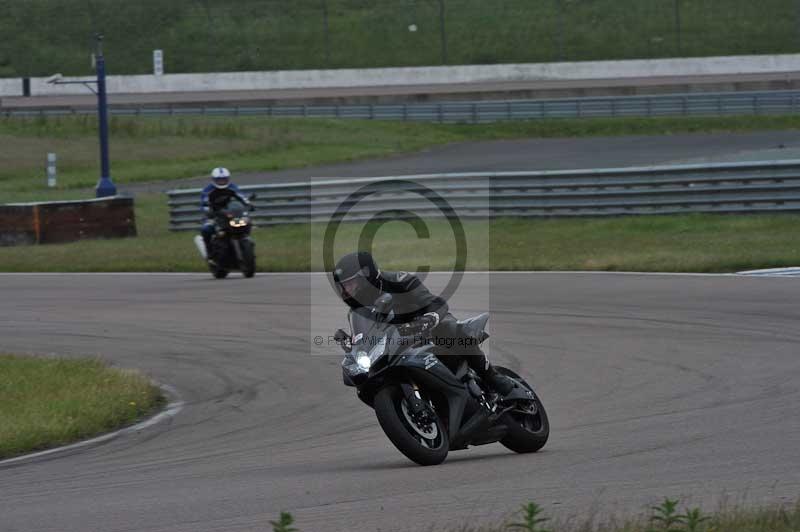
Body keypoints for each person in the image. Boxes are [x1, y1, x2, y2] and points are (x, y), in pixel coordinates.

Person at [332, 251, 517, 395]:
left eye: (351, 284)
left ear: (367, 275)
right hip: (399, 344)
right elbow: (365, 339)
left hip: (429, 325)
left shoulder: (398, 281)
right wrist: (351, 346)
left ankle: (492, 377)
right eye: (344, 286)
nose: (347, 290)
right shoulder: (356, 312)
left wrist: (428, 319)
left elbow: (435, 303)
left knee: (450, 330)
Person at [199, 167, 252, 257]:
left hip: (230, 213)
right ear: (214, 179)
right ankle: (209, 251)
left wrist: (248, 203)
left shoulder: (232, 187)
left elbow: (241, 196)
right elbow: (204, 203)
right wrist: (207, 210)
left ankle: (244, 239)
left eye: (224, 179)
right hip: (214, 214)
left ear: (228, 178)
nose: (222, 181)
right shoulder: (208, 190)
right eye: (219, 180)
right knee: (206, 229)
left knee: (247, 222)